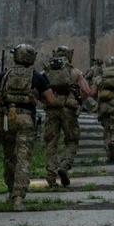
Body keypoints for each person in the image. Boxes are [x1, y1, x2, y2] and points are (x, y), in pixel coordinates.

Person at [0, 43, 56, 210]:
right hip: (26, 119)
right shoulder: (36, 77)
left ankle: (10, 188)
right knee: (23, 158)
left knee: (9, 157)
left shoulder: (4, 75)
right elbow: (51, 100)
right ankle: (19, 198)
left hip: (7, 119)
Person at [43, 46, 92, 187]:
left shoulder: (46, 71)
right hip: (68, 111)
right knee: (72, 140)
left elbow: (37, 89)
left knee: (51, 142)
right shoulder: (75, 72)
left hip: (52, 109)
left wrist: (46, 101)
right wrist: (78, 102)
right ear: (69, 57)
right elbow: (86, 91)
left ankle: (51, 177)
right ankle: (64, 166)